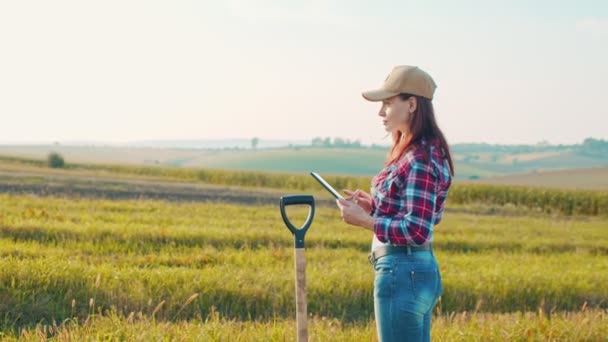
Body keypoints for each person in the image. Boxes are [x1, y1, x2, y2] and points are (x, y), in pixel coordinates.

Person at [336, 65, 454, 342]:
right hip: (411, 270)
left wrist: (365, 221)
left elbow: (416, 229)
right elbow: (414, 214)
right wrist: (375, 206)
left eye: (388, 104)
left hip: (403, 271)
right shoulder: (420, 152)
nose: (380, 112)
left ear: (411, 104)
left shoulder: (419, 159)